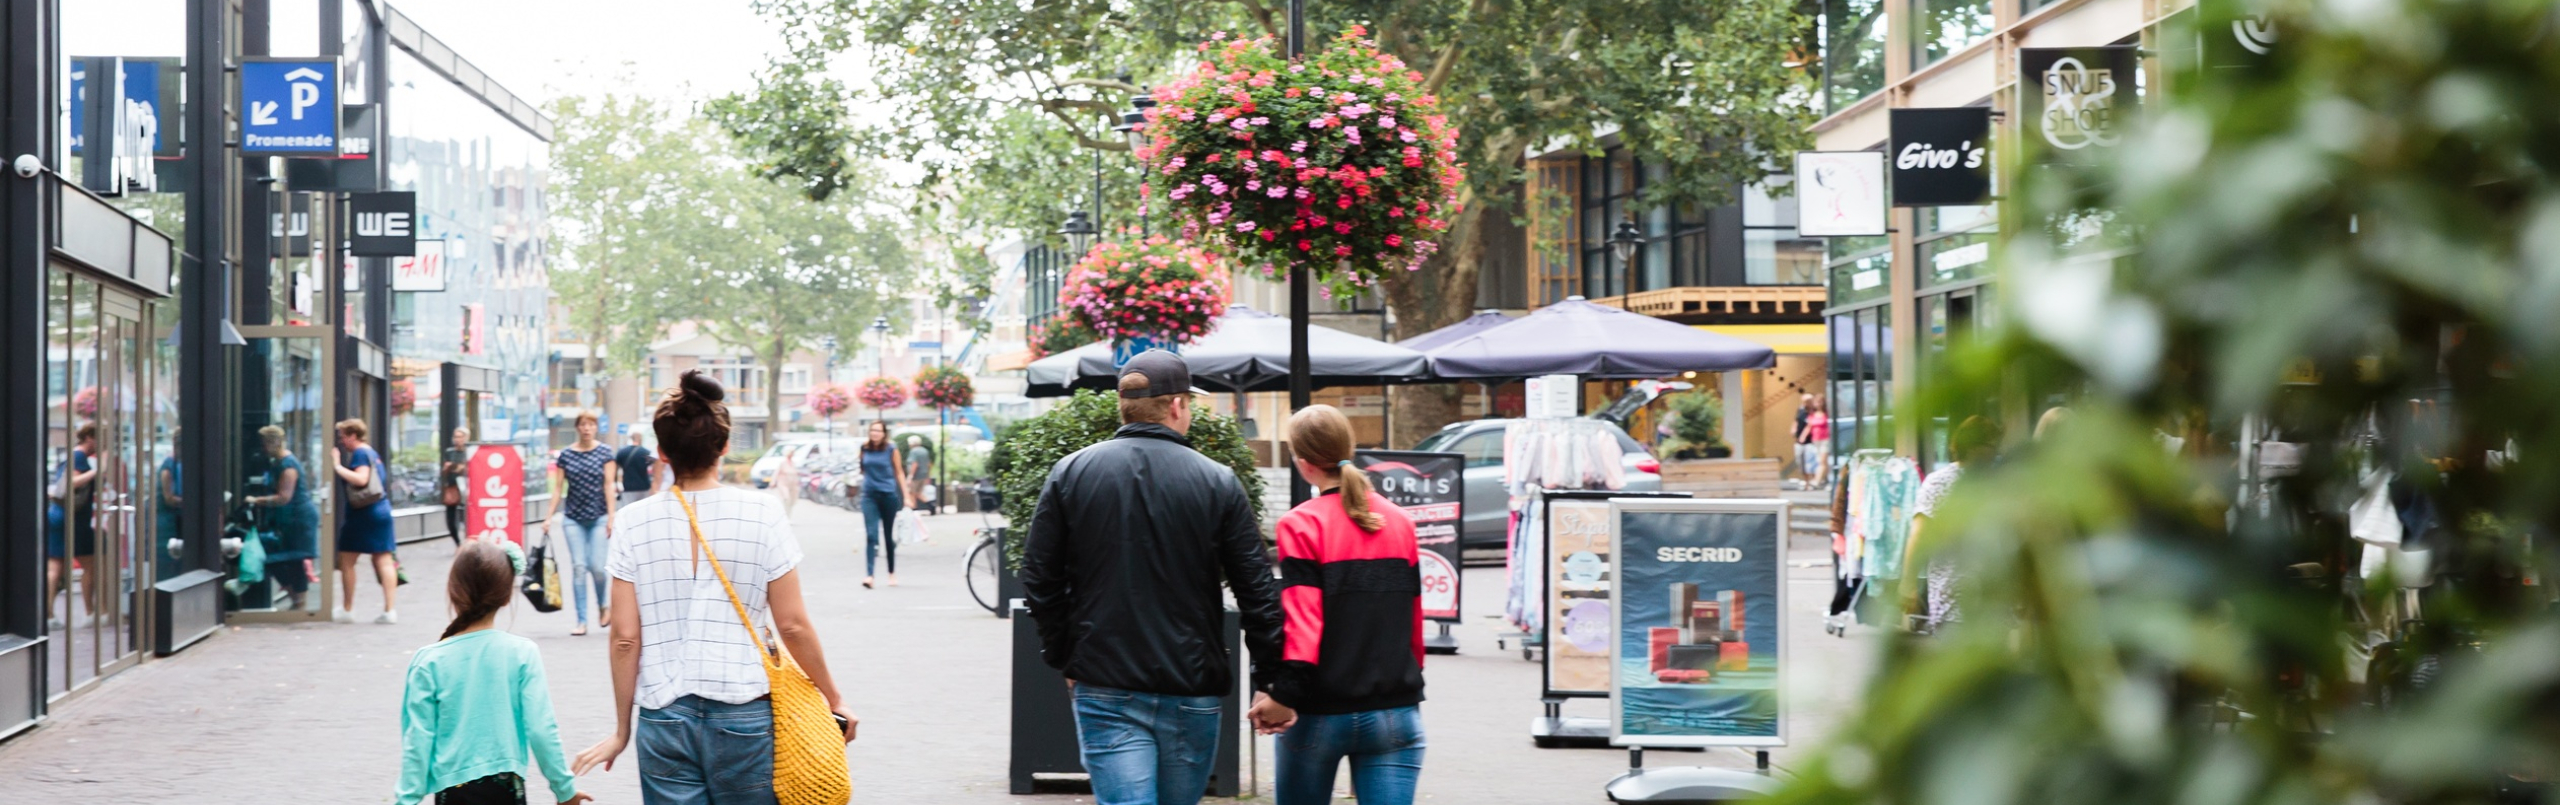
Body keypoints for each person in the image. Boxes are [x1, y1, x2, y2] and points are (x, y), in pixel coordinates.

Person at [571, 370, 857, 801]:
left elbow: (625, 638)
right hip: (744, 709)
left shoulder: (632, 521)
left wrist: (620, 729)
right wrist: (833, 698)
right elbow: (793, 625)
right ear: (724, 447)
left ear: (662, 454)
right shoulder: (763, 512)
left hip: (663, 714)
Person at [1020, 350, 1286, 805]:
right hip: (1190, 683)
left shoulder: (1072, 472)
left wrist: (1065, 653)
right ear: (1178, 406)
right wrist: (1272, 681)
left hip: (1104, 679)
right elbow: (1257, 591)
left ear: (1122, 404)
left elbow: (1039, 577)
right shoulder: (1217, 481)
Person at [1263, 405, 1428, 805]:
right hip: (1396, 709)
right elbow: (1414, 624)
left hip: (1321, 711)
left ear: (1303, 465)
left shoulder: (1301, 524)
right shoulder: (1401, 522)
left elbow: (1304, 626)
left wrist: (1281, 697)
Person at [397, 539, 592, 805]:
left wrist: (406, 800)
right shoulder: (522, 653)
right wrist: (564, 789)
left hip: (453, 793)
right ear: (506, 595)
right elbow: (541, 728)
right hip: (506, 791)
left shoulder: (429, 661)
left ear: (453, 590)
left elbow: (417, 742)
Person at [1901, 415, 2001, 631]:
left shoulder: (1999, 481)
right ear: (1972, 447)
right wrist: (1908, 584)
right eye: (1991, 446)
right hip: (1953, 600)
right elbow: (1918, 535)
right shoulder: (1939, 482)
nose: (1996, 452)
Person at [544, 412, 619, 637]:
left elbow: (609, 485)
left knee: (597, 567)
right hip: (573, 518)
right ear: (578, 428)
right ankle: (581, 621)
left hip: (599, 517)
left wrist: (612, 516)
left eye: (591, 425)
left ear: (596, 428)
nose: (587, 428)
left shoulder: (605, 453)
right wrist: (548, 517)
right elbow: (558, 488)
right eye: (583, 425)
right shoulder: (566, 455)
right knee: (578, 567)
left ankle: (603, 605)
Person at [331, 419, 400, 624]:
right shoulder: (372, 453)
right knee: (383, 559)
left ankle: (347, 609)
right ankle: (389, 611)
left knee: (347, 560)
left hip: (363, 514)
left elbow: (361, 479)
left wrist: (336, 466)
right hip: (381, 510)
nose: (341, 440)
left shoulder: (360, 453)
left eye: (343, 435)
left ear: (353, 435)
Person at [249, 425, 319, 611]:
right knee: (278, 559)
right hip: (287, 519)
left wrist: (257, 500)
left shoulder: (288, 466)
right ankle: (296, 601)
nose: (262, 449)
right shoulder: (278, 463)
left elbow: (283, 497)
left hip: (298, 519)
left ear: (273, 443)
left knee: (294, 560)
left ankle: (299, 604)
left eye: (264, 444)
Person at [44, 423, 102, 630]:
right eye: (100, 438)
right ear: (89, 437)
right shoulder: (78, 457)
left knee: (55, 567)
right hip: (73, 518)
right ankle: (90, 613)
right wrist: (96, 472)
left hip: (57, 515)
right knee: (91, 565)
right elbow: (72, 482)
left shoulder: (71, 456)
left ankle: (48, 615)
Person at [855, 421, 914, 589]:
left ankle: (891, 573)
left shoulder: (891, 449)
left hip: (888, 495)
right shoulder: (864, 448)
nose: (874, 433)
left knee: (888, 536)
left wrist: (907, 496)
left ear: (884, 433)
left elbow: (899, 472)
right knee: (871, 535)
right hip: (869, 496)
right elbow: (862, 468)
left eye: (878, 431)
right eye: (872, 430)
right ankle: (869, 575)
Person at [612, 431, 660, 508]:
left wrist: (616, 484)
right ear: (641, 439)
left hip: (628, 487)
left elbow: (615, 470)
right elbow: (655, 468)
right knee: (643, 511)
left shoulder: (622, 452)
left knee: (628, 511)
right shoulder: (646, 453)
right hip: (644, 486)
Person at [442, 427, 472, 545]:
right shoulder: (449, 452)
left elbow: (466, 468)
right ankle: (458, 543)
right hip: (452, 487)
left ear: (466, 438)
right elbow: (446, 468)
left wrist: (455, 467)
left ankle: (468, 543)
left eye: (460, 437)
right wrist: (456, 467)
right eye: (455, 437)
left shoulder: (469, 452)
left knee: (466, 518)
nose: (457, 440)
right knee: (450, 520)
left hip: (466, 488)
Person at [1805, 396, 1834, 489]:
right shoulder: (1812, 415)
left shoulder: (1826, 414)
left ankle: (1816, 481)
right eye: (1816, 402)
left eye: (1820, 402)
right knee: (1819, 461)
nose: (1818, 404)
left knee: (1822, 461)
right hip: (1815, 440)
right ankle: (1825, 480)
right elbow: (1809, 426)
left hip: (1825, 439)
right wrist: (1802, 437)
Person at [905, 435, 936, 516]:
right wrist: (928, 474)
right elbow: (928, 464)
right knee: (918, 492)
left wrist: (910, 476)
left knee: (912, 492)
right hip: (923, 474)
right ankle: (930, 505)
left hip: (916, 476)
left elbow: (914, 464)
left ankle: (914, 509)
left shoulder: (914, 451)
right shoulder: (925, 451)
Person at [1790, 393, 1816, 483]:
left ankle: (1814, 480)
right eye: (1804, 401)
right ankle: (1807, 482)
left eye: (1807, 401)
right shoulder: (1801, 410)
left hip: (1810, 441)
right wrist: (1793, 429)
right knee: (1800, 462)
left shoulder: (1814, 411)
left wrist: (1803, 436)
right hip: (1799, 441)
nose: (1805, 403)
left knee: (1810, 461)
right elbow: (1796, 420)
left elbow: (1810, 425)